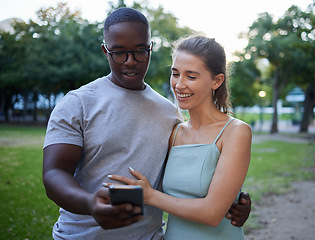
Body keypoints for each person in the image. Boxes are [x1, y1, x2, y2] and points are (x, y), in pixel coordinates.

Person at [42, 7, 251, 240]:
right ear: (105, 50)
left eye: (140, 51)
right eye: (119, 53)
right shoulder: (78, 103)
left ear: (150, 49)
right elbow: (54, 173)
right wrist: (90, 203)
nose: (130, 62)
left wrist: (232, 201)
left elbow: (189, 176)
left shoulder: (169, 114)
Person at [105, 35, 252, 239]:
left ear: (216, 81)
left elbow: (212, 214)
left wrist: (151, 196)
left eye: (191, 77)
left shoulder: (236, 131)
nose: (179, 85)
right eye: (175, 74)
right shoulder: (175, 133)